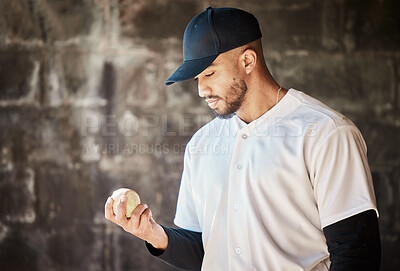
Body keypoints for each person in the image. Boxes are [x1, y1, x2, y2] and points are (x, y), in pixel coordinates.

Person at [105, 7, 381, 271]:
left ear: (248, 61)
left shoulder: (327, 133)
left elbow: (356, 254)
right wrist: (154, 234)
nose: (202, 89)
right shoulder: (201, 145)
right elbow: (207, 252)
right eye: (196, 79)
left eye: (210, 73)